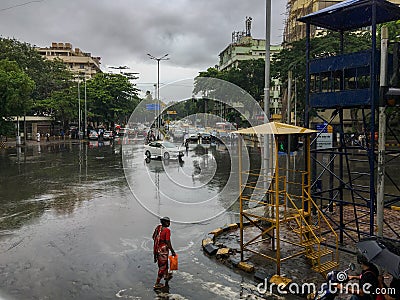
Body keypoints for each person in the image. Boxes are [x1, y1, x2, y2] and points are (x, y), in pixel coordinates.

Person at [152, 216, 176, 289]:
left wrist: (159, 243)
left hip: (157, 248)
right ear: (165, 222)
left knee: (164, 263)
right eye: (168, 222)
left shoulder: (158, 228)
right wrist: (172, 251)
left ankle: (166, 275)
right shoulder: (167, 230)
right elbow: (168, 241)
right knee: (162, 266)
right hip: (163, 250)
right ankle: (157, 283)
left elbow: (153, 237)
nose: (169, 223)